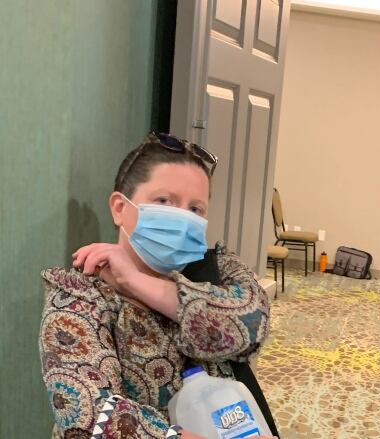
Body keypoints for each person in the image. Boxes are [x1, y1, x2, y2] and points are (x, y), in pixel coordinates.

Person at [39, 132, 275, 438]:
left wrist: (136, 281)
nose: (181, 218)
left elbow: (253, 323)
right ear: (119, 208)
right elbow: (87, 416)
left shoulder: (216, 267)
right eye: (164, 201)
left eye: (195, 209)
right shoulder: (76, 292)